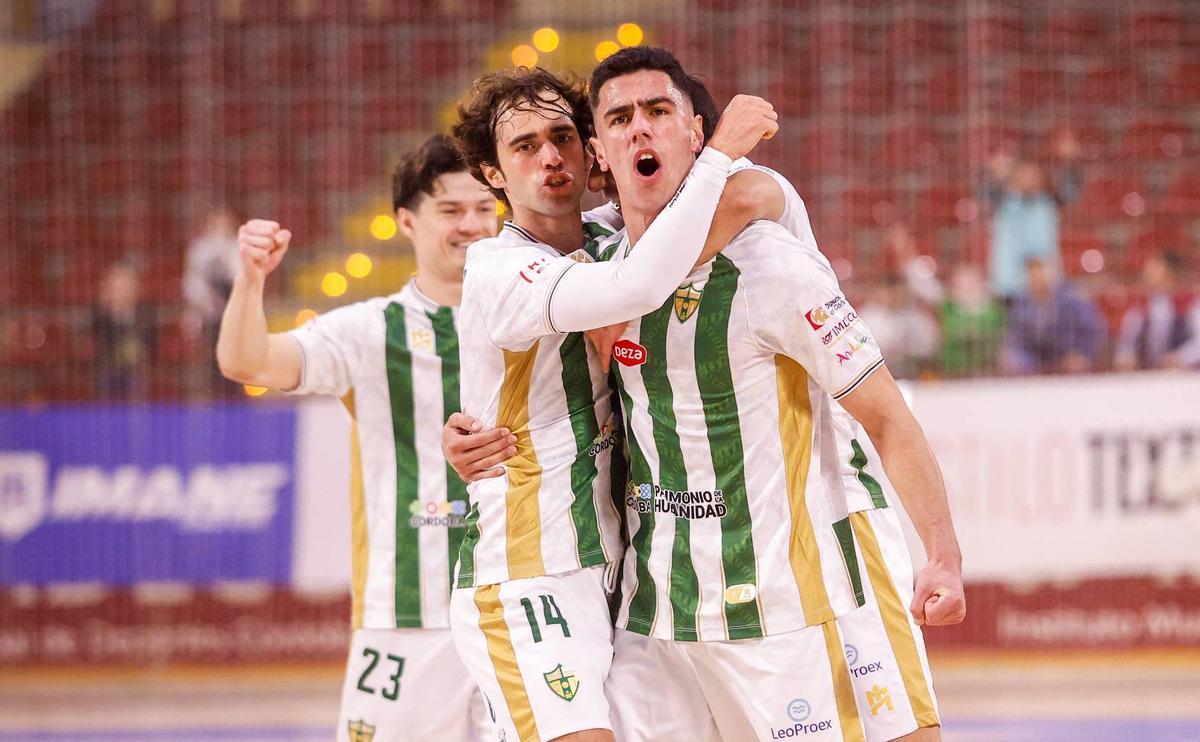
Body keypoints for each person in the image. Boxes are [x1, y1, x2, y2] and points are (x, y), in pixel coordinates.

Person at [581, 46, 963, 742]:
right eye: (620, 118)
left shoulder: (769, 263)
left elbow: (886, 418)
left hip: (788, 593)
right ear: (598, 151)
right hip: (660, 609)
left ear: (697, 134)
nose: (640, 129)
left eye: (659, 111)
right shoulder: (590, 277)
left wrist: (942, 550)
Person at [446, 64, 778, 742]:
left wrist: (733, 181)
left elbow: (760, 193)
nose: (549, 156)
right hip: (525, 570)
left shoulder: (609, 237)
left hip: (619, 568)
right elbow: (639, 286)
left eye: (563, 136)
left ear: (589, 147)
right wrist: (718, 152)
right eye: (523, 146)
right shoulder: (499, 269)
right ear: (491, 175)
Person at [215, 135, 502, 742]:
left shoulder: (538, 315)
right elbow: (246, 362)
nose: (471, 225)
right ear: (406, 220)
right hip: (408, 618)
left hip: (523, 611)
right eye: (451, 211)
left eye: (483, 208)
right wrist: (250, 280)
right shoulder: (370, 331)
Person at [980, 130, 1082, 300]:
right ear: (1014, 176)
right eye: (1023, 174)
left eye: (1033, 174)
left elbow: (1070, 191)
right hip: (1008, 284)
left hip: (1045, 283)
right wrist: (994, 174)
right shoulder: (1002, 201)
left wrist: (1071, 162)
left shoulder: (1048, 201)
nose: (1028, 179)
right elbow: (984, 193)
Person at [1002, 257, 1105, 375]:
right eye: (1033, 277)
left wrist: (1084, 354)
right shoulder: (1022, 304)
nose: (1037, 281)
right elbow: (1016, 337)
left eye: (1041, 276)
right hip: (1034, 358)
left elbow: (1094, 330)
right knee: (1014, 360)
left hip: (1067, 354)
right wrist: (1011, 356)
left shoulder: (1072, 300)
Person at [183, 207, 241, 395]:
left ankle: (233, 388)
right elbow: (192, 282)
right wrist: (206, 303)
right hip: (207, 310)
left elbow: (239, 276)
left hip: (234, 308)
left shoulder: (238, 247)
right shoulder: (199, 250)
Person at [1114, 251, 1200, 370]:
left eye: (1155, 269)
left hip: (1184, 374)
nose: (1147, 273)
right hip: (1148, 376)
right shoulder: (1139, 307)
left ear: (1170, 273)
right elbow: (1127, 342)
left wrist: (1182, 357)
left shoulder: (1191, 304)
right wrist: (1126, 356)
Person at [93, 259, 155, 400]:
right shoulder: (99, 317)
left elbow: (150, 347)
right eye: (117, 285)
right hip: (108, 372)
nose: (122, 290)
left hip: (137, 373)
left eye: (126, 284)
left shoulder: (146, 315)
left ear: (136, 288)